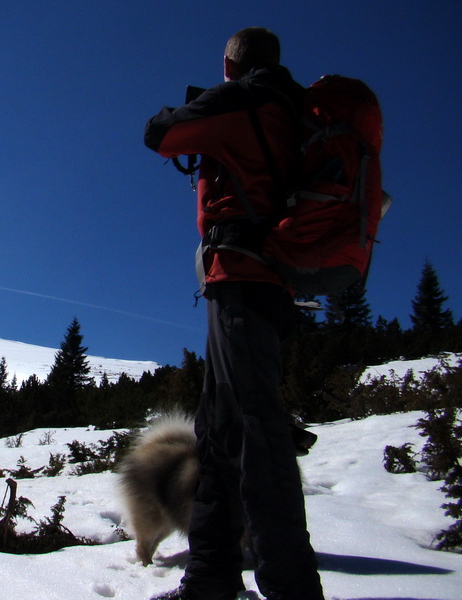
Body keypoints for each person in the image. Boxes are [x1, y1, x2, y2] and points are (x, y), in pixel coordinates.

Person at [143, 27, 324, 600]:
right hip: (258, 283)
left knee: (255, 433)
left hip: (243, 277)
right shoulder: (292, 106)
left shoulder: (246, 98)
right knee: (220, 436)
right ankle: (209, 582)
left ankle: (291, 588)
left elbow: (161, 133)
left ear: (229, 64)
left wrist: (204, 99)